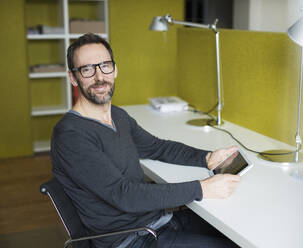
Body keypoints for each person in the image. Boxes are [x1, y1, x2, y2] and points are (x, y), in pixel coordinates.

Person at [51, 33, 241, 248]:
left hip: (159, 222)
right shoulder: (71, 136)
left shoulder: (118, 116)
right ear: (72, 77)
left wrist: (206, 158)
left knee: (239, 233)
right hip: (131, 238)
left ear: (115, 70)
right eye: (87, 69)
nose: (99, 76)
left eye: (105, 65)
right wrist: (202, 188)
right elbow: (124, 195)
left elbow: (156, 147)